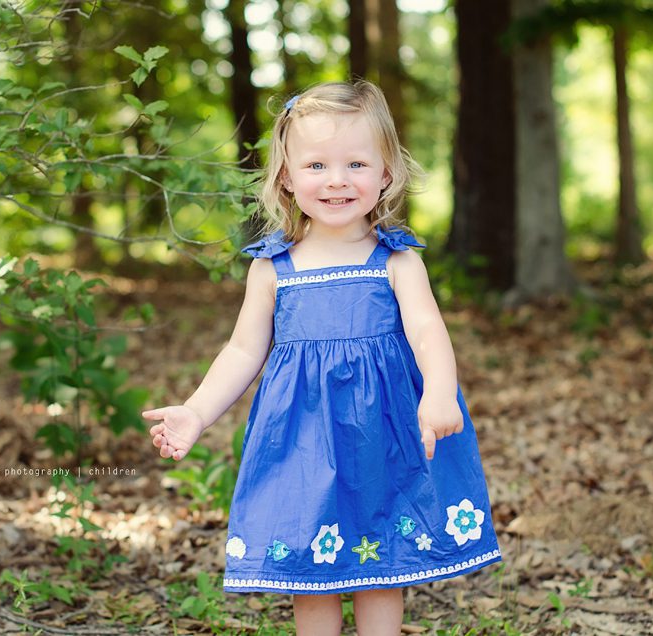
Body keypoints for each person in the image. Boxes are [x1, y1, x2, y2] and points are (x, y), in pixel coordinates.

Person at [142, 81, 501, 636]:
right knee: (311, 566)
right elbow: (243, 349)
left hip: (381, 434)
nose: (337, 180)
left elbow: (428, 329)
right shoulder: (272, 267)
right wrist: (196, 411)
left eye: (356, 163)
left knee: (381, 561)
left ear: (386, 173)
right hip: (302, 439)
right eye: (316, 165)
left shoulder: (397, 261)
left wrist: (437, 391)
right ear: (286, 176)